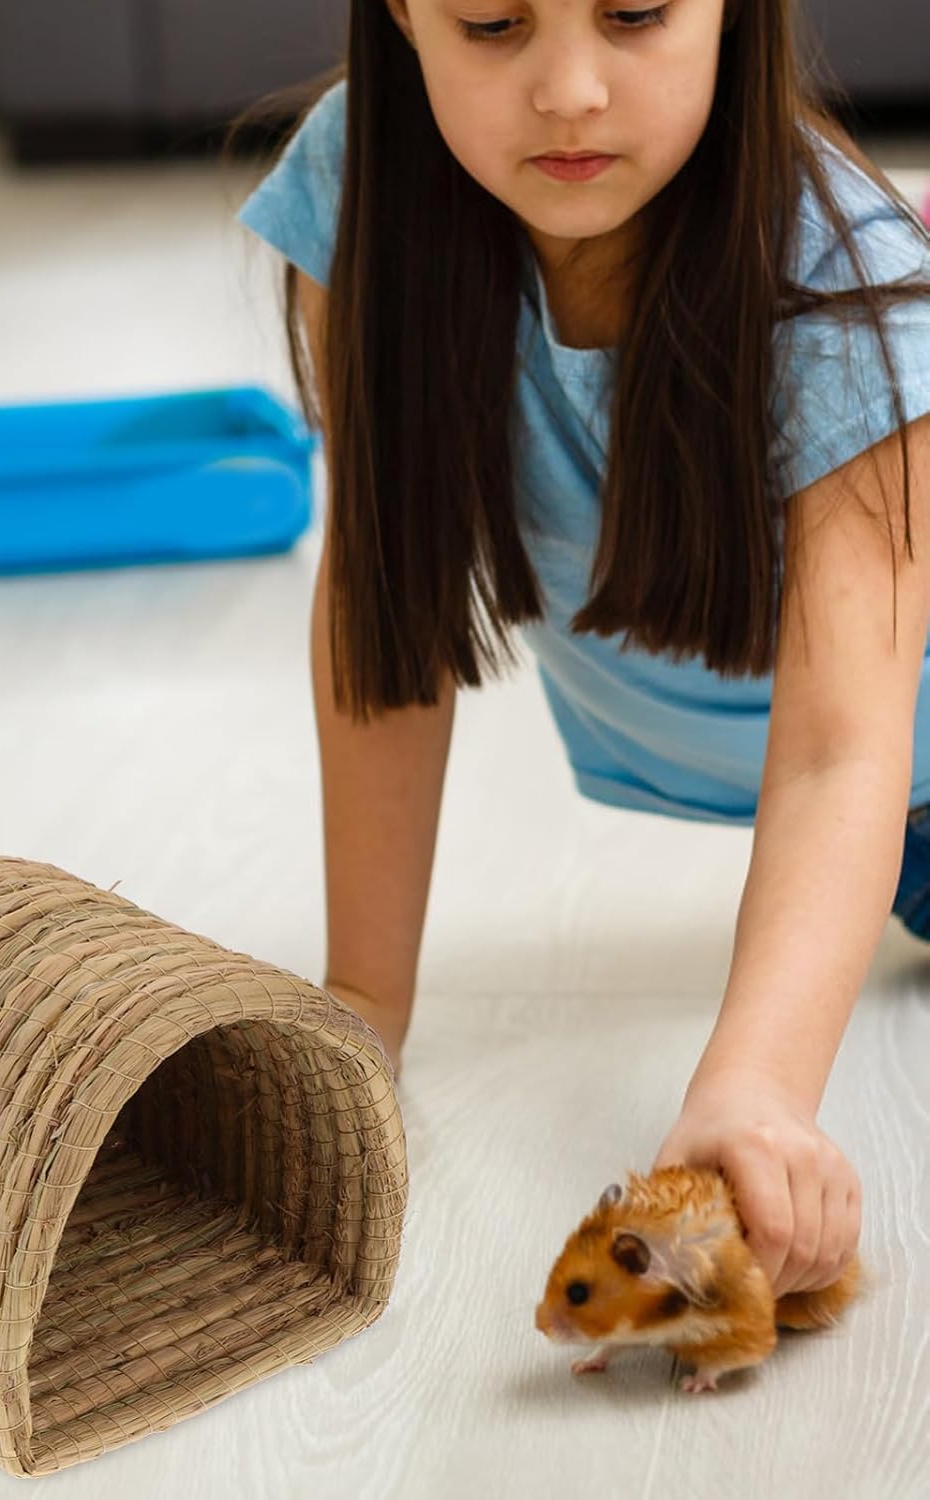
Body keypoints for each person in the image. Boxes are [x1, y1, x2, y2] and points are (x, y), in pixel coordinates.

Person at [233, 1, 930, 1304]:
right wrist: (360, 1004)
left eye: (636, 14)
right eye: (494, 22)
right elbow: (384, 597)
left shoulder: (846, 285)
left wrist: (758, 1087)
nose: (569, 91)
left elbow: (842, 753)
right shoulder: (362, 183)